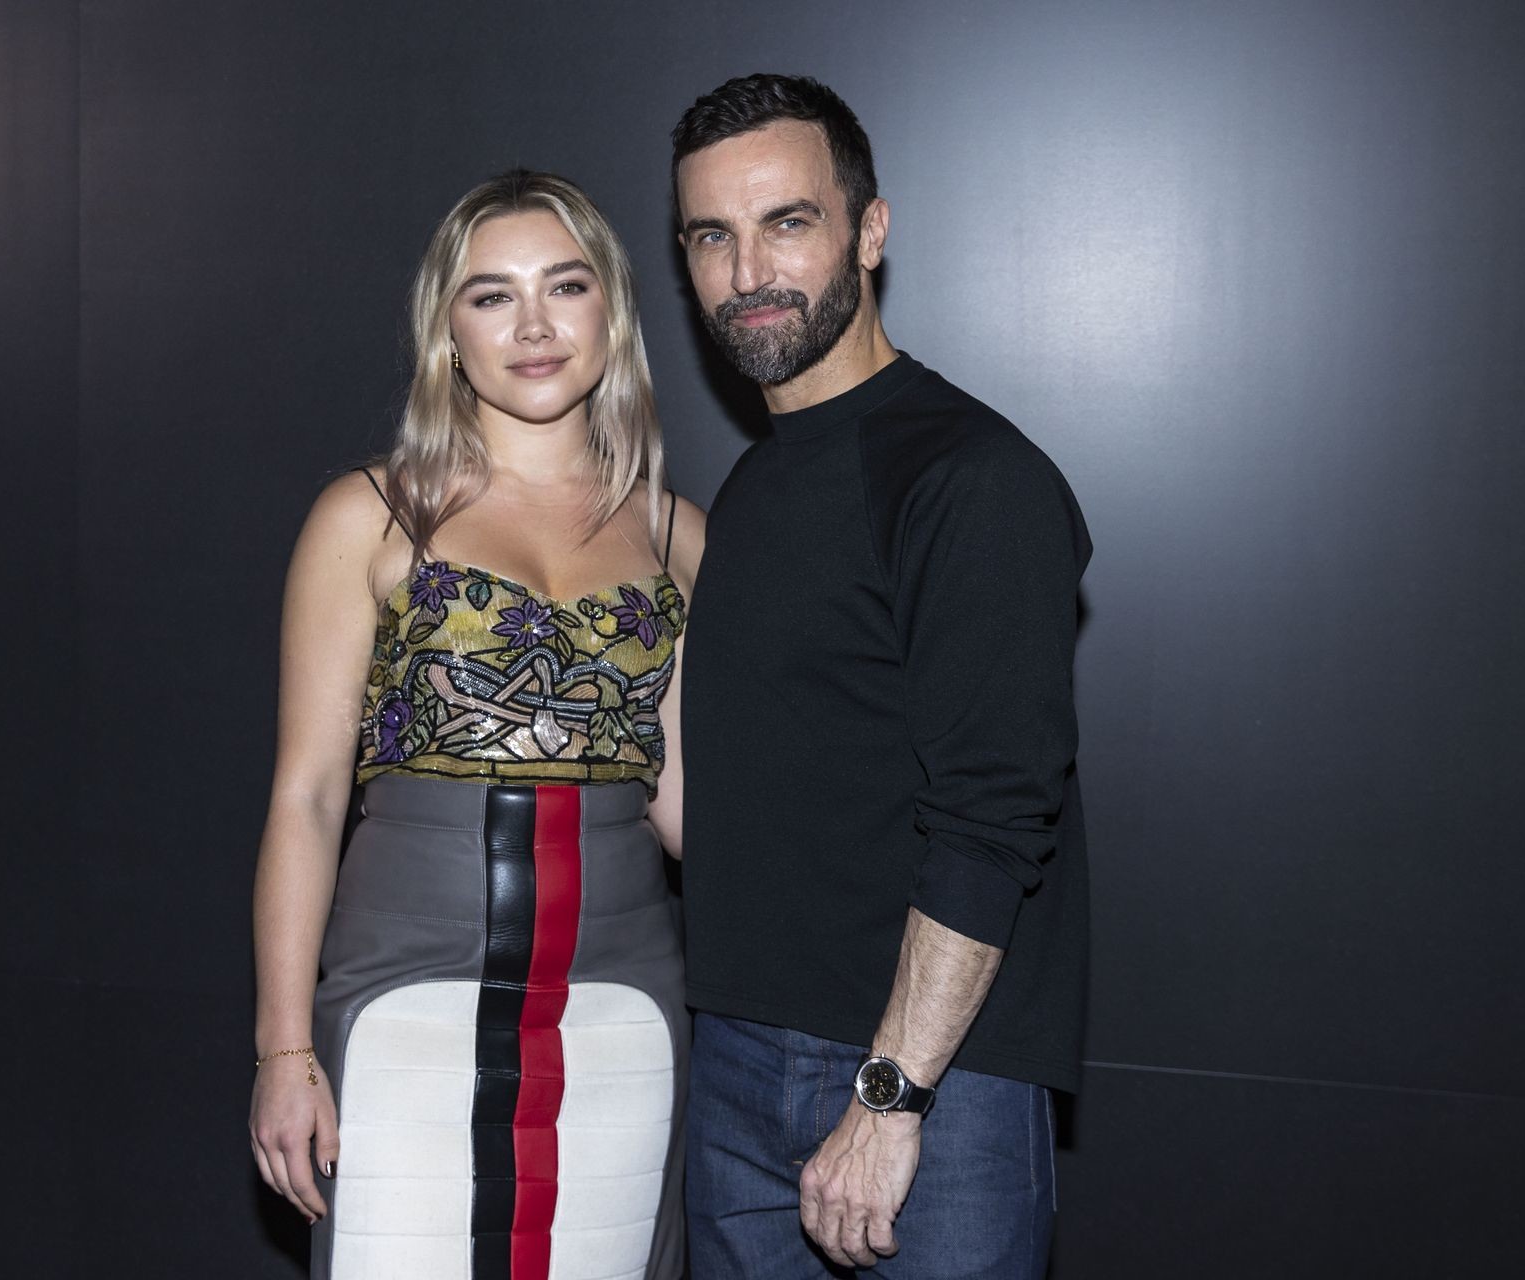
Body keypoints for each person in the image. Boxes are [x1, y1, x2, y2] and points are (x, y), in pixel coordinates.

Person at [248, 169, 704, 1280]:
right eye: (493, 295)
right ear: (447, 330)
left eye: (566, 286)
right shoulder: (369, 514)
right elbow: (308, 797)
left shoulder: (680, 537)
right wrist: (282, 1046)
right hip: (403, 995)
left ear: (613, 312)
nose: (534, 327)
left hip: (624, 1004)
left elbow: (689, 811)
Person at [671, 75, 1092, 1279]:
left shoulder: (971, 475)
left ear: (869, 231)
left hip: (925, 1088)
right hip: (736, 1064)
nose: (748, 269)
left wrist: (890, 1093)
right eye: (712, 235)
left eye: (787, 222)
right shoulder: (754, 486)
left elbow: (994, 815)